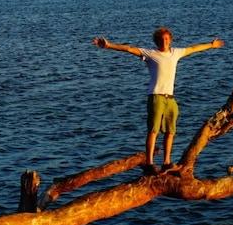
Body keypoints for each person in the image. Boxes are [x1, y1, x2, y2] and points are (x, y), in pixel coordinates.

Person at [93, 28, 224, 172]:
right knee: (153, 130)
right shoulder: (151, 54)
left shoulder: (175, 53)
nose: (164, 41)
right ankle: (149, 164)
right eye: (161, 39)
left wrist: (211, 45)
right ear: (157, 41)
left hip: (171, 99)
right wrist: (109, 45)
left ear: (171, 40)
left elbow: (193, 48)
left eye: (167, 39)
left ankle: (166, 162)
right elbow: (129, 49)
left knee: (170, 131)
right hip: (156, 97)